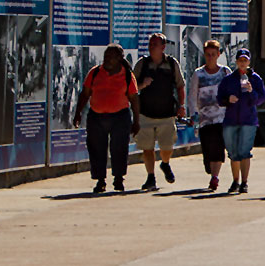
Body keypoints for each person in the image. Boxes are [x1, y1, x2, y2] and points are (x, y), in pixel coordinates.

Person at [73, 44, 139, 193]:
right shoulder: (95, 72)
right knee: (96, 148)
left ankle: (118, 179)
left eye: (111, 57)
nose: (107, 60)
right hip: (96, 117)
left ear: (119, 59)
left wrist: (136, 121)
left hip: (120, 117)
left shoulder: (127, 75)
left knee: (119, 148)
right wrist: (78, 113)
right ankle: (100, 180)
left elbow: (134, 99)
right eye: (106, 56)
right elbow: (85, 94)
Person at [133, 33, 186, 191]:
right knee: (147, 148)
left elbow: (180, 86)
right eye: (150, 44)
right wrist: (142, 85)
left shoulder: (171, 64)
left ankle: (165, 163)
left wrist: (181, 106)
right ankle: (151, 177)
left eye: (154, 45)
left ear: (163, 47)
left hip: (166, 114)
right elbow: (132, 86)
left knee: (167, 146)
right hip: (145, 113)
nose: (151, 47)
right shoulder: (142, 63)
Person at [217, 49, 265, 194]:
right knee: (233, 152)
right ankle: (235, 181)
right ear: (236, 62)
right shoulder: (228, 79)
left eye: (245, 60)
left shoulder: (255, 79)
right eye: (240, 60)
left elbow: (261, 99)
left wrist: (251, 91)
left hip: (248, 120)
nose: (243, 63)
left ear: (249, 62)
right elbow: (220, 98)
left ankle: (244, 182)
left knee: (245, 151)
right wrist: (228, 99)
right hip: (231, 120)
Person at [189, 39, 232, 191]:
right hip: (205, 119)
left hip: (222, 117)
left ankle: (215, 177)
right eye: (208, 54)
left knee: (218, 147)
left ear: (218, 55)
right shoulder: (198, 74)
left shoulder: (225, 72)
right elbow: (192, 95)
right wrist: (193, 114)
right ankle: (211, 169)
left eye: (213, 54)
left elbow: (232, 91)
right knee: (208, 149)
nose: (210, 57)